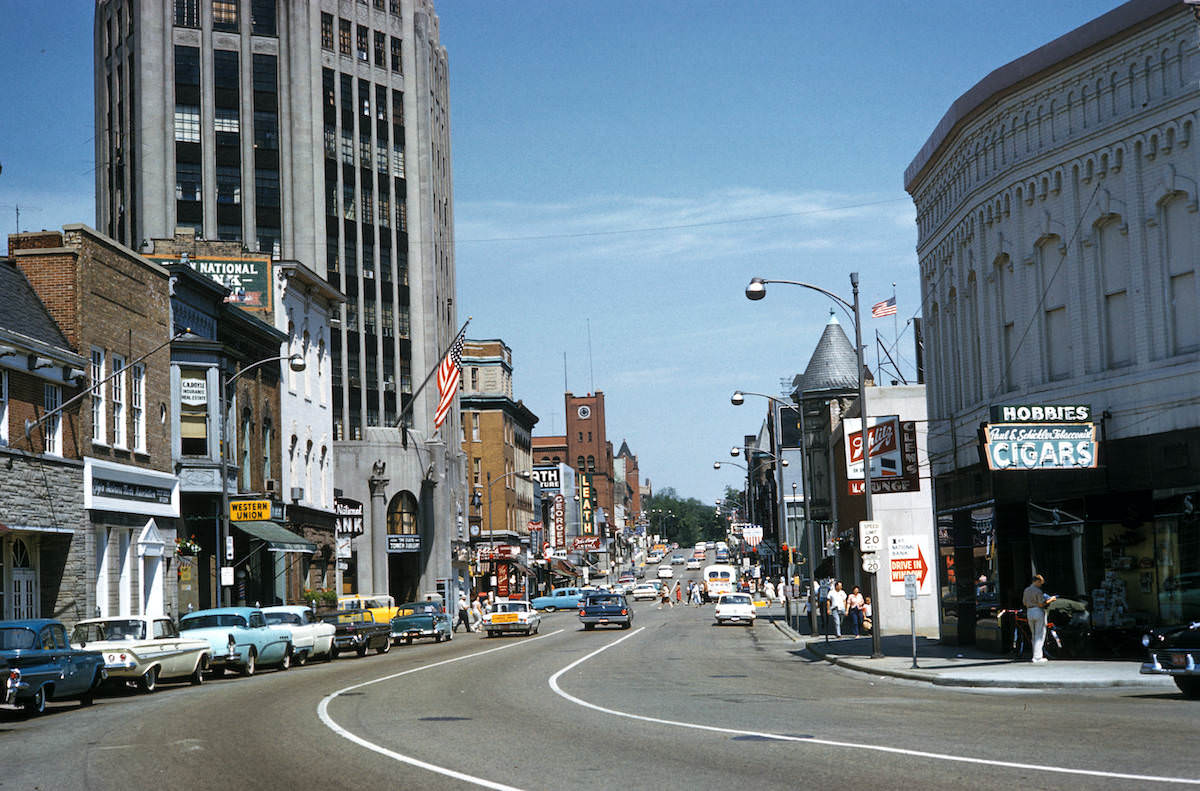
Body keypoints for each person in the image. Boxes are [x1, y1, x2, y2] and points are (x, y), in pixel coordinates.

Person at [1022, 574, 1057, 663]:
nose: (1041, 585)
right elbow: (1041, 604)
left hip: (1029, 611)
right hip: (1038, 611)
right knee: (1040, 634)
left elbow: (1024, 603)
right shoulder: (1038, 591)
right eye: (1040, 583)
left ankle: (1035, 655)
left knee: (1033, 634)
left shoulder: (1026, 590)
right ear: (1037, 581)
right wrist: (1051, 599)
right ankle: (1037, 657)